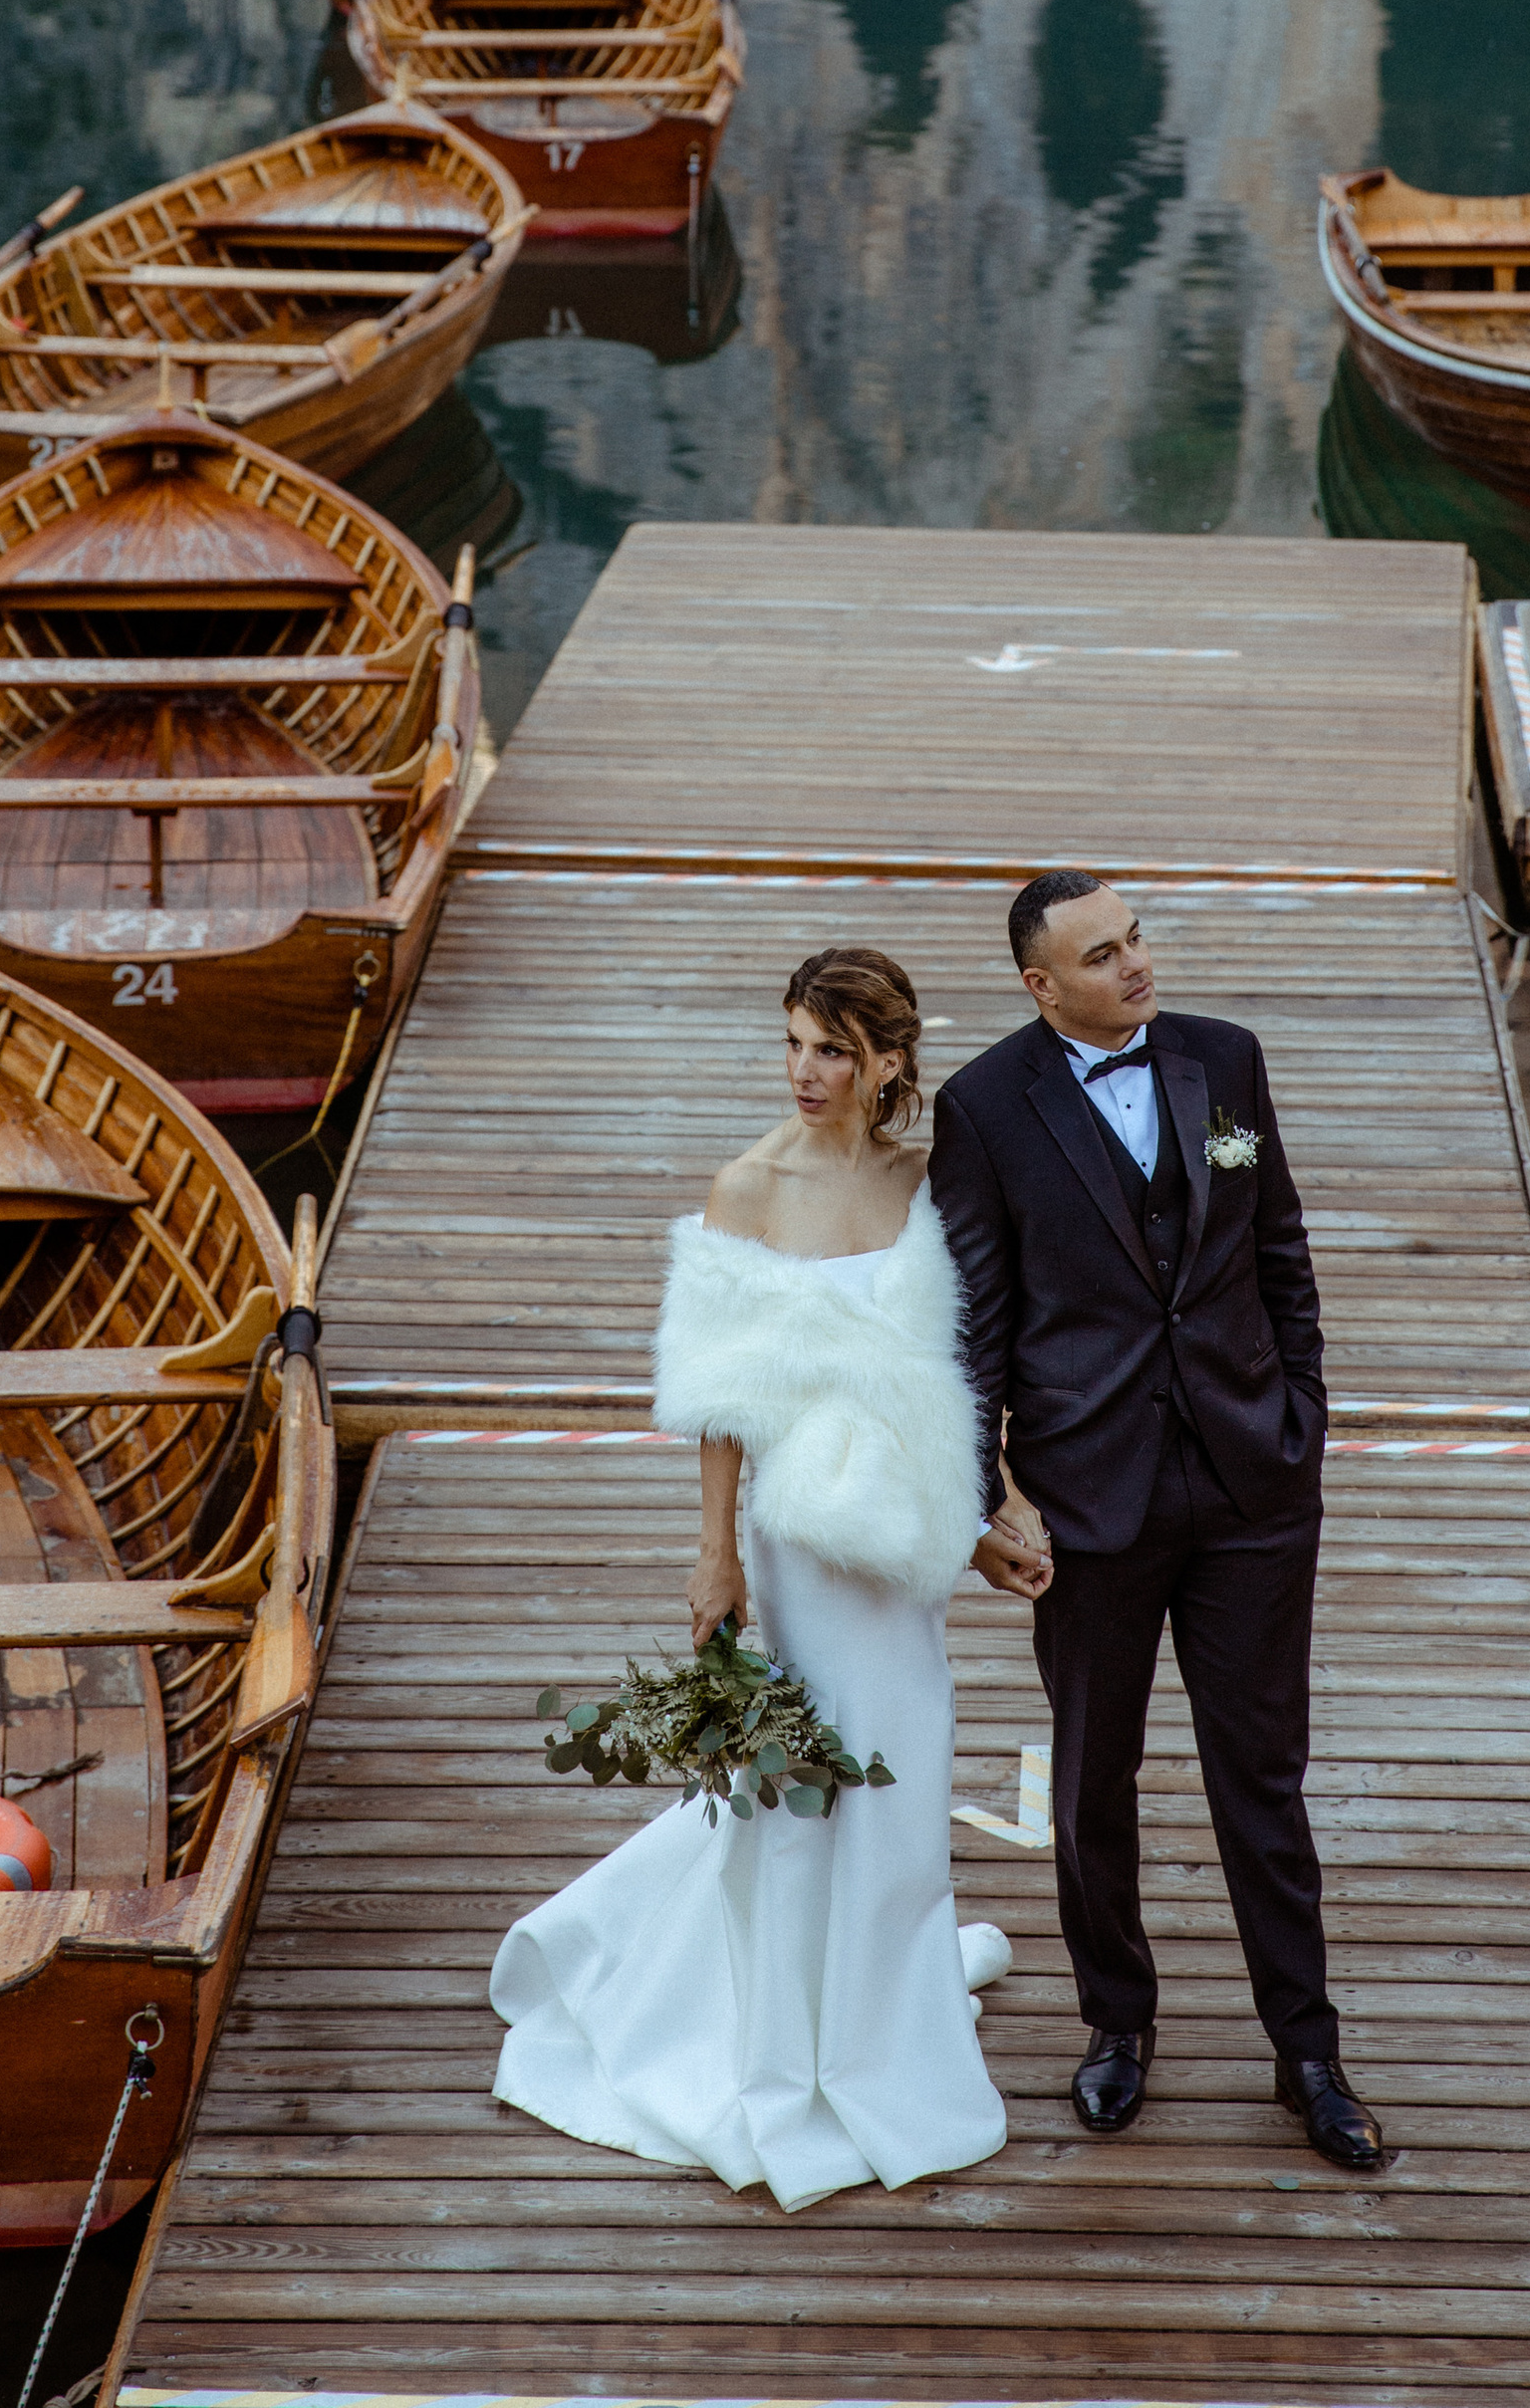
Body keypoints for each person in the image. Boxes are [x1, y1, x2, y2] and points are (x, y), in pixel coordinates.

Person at [488, 944, 1048, 2208]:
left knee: (905, 1767)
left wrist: (988, 1511)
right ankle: (787, 2049)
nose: (806, 1071)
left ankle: (884, 2013)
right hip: (797, 1543)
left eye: (835, 1050)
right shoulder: (745, 1189)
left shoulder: (930, 1186)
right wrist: (713, 1552)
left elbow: (956, 1378)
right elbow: (720, 1402)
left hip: (902, 1542)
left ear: (890, 1062)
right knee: (800, 1782)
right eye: (794, 1041)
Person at [927, 869, 1385, 2173]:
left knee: (1265, 1782)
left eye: (1137, 939)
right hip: (1089, 1506)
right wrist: (984, 1499)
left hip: (1252, 1485)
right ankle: (1117, 2025)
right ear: (1040, 984)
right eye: (1104, 952)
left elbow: (1270, 1237)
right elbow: (976, 1331)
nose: (1138, 964)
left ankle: (1309, 2052)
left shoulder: (1221, 1066)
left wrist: (1301, 1415)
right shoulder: (986, 1110)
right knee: (1092, 1785)